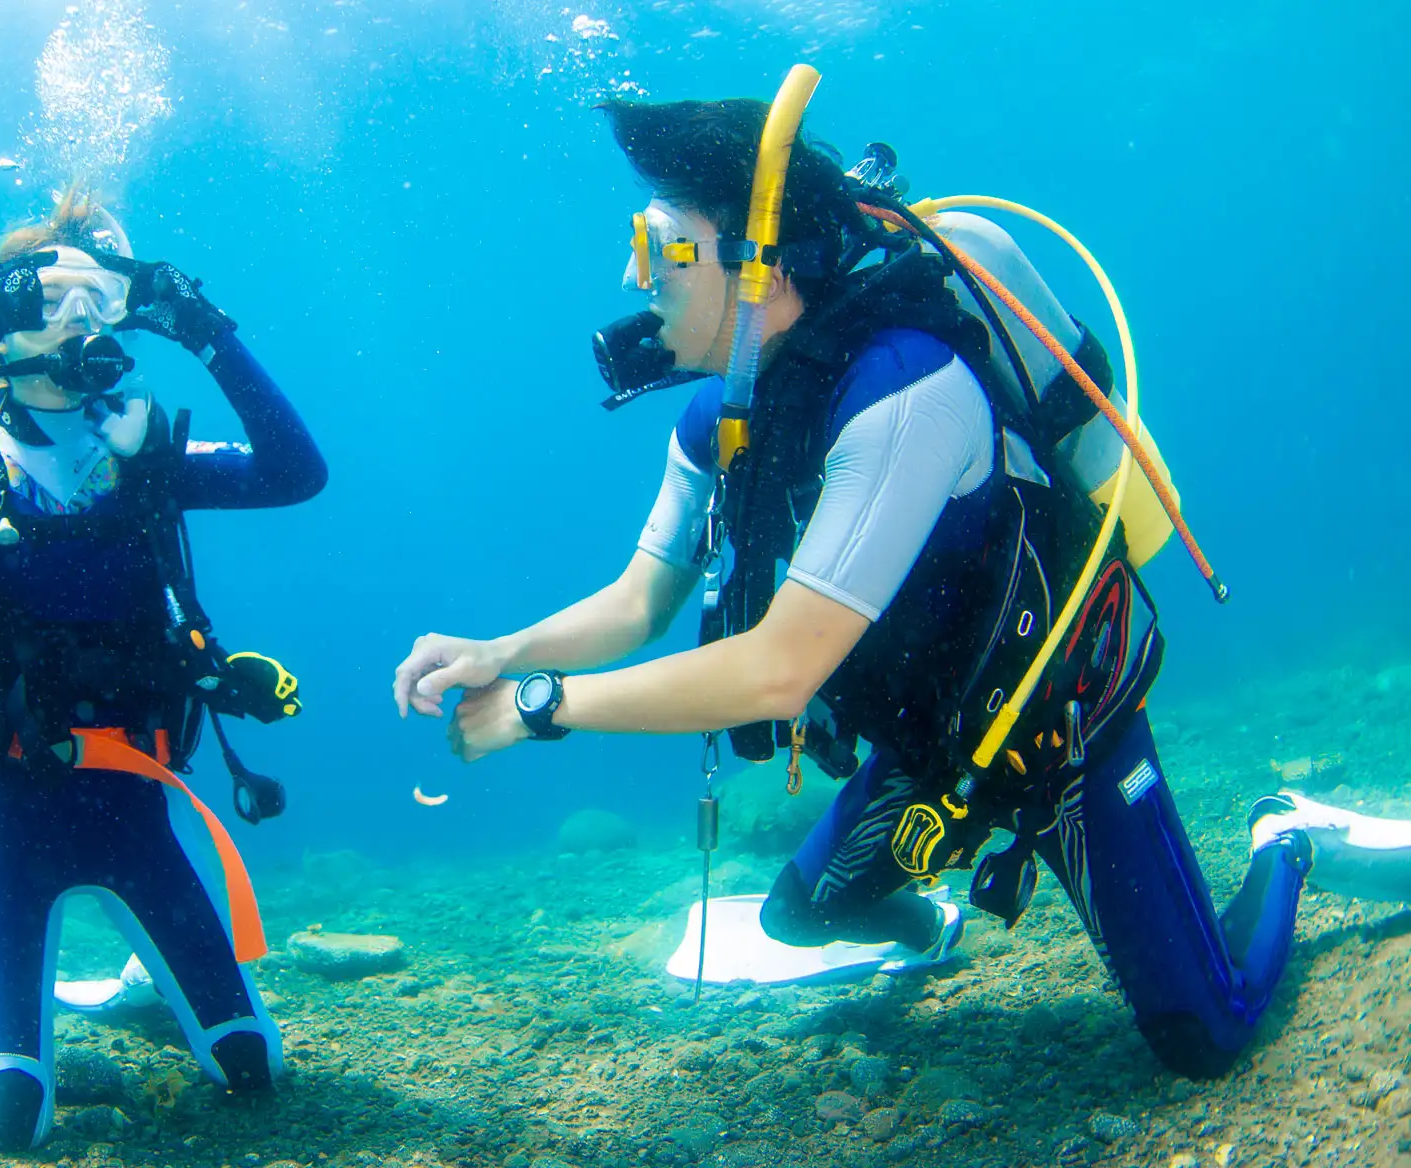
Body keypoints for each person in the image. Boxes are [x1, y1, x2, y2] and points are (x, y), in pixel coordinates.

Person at [392, 80, 1334, 1078]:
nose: (635, 275)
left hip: (1059, 730)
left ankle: (1285, 839)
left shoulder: (904, 392)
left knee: (1205, 1036)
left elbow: (780, 673)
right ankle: (933, 924)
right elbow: (640, 599)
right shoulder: (725, 424)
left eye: (660, 243)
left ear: (759, 259)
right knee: (801, 915)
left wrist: (540, 705)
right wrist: (504, 649)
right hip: (934, 749)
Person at [0, 189, 325, 1149]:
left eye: (100, 302)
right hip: (10, 815)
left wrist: (208, 330)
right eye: (52, 301)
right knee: (14, 1117)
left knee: (252, 1065)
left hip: (139, 804)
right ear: (10, 319)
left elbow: (296, 471)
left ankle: (138, 990)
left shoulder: (145, 457)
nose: (80, 324)